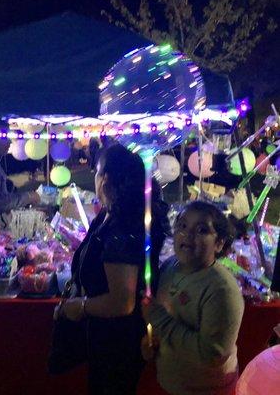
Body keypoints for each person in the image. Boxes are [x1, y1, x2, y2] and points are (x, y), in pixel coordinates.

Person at [56, 144, 169, 395]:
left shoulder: (122, 227)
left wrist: (80, 306)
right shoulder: (110, 214)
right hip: (105, 337)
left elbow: (122, 302)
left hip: (118, 341)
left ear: (104, 178)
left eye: (95, 171)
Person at [142, 201, 244, 395]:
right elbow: (169, 321)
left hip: (205, 389)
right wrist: (151, 340)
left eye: (201, 230)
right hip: (171, 382)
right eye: (182, 226)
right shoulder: (170, 267)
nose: (187, 235)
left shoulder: (222, 290)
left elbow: (212, 354)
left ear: (219, 243)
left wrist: (159, 319)